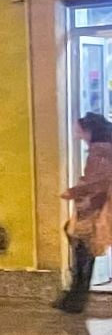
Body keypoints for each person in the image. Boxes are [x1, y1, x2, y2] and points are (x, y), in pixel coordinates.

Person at [57, 112, 112, 312]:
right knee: (81, 244)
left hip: (98, 207)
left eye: (78, 128)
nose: (76, 132)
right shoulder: (102, 149)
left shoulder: (100, 152)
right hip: (96, 205)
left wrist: (75, 191)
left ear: (88, 130)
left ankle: (76, 298)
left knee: (82, 245)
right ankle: (75, 296)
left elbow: (98, 181)